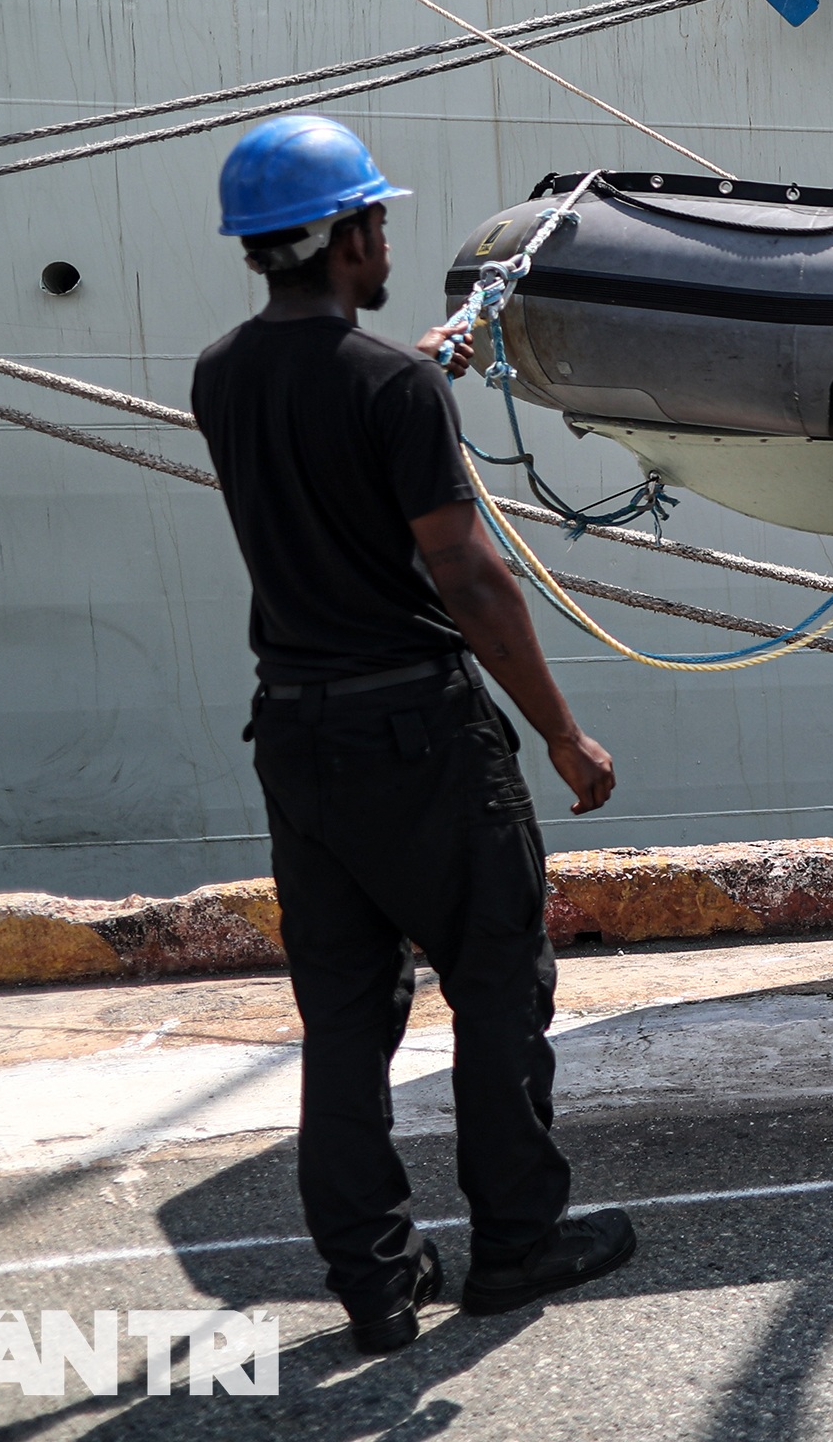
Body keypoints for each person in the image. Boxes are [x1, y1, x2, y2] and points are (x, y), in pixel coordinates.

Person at [191, 115, 635, 1352]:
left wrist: (419, 371)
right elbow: (469, 574)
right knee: (496, 986)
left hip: (294, 736)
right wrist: (561, 729)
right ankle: (517, 1247)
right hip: (420, 740)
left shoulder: (221, 372)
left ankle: (377, 1283)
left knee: (344, 1021)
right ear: (344, 237)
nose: (389, 235)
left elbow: (328, 410)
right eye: (375, 219)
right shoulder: (389, 387)